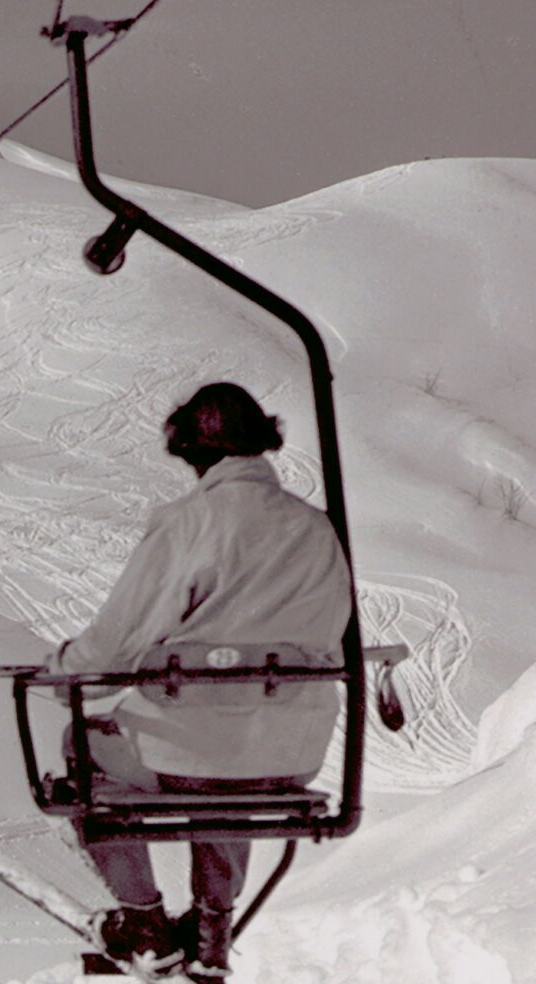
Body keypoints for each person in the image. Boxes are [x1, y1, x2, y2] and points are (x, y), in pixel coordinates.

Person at [48, 383, 351, 980]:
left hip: (188, 754)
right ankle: (213, 925)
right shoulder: (317, 530)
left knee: (82, 743)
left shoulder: (190, 524)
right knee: (229, 761)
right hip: (292, 756)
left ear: (189, 449)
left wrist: (63, 671)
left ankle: (143, 922)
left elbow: (116, 639)